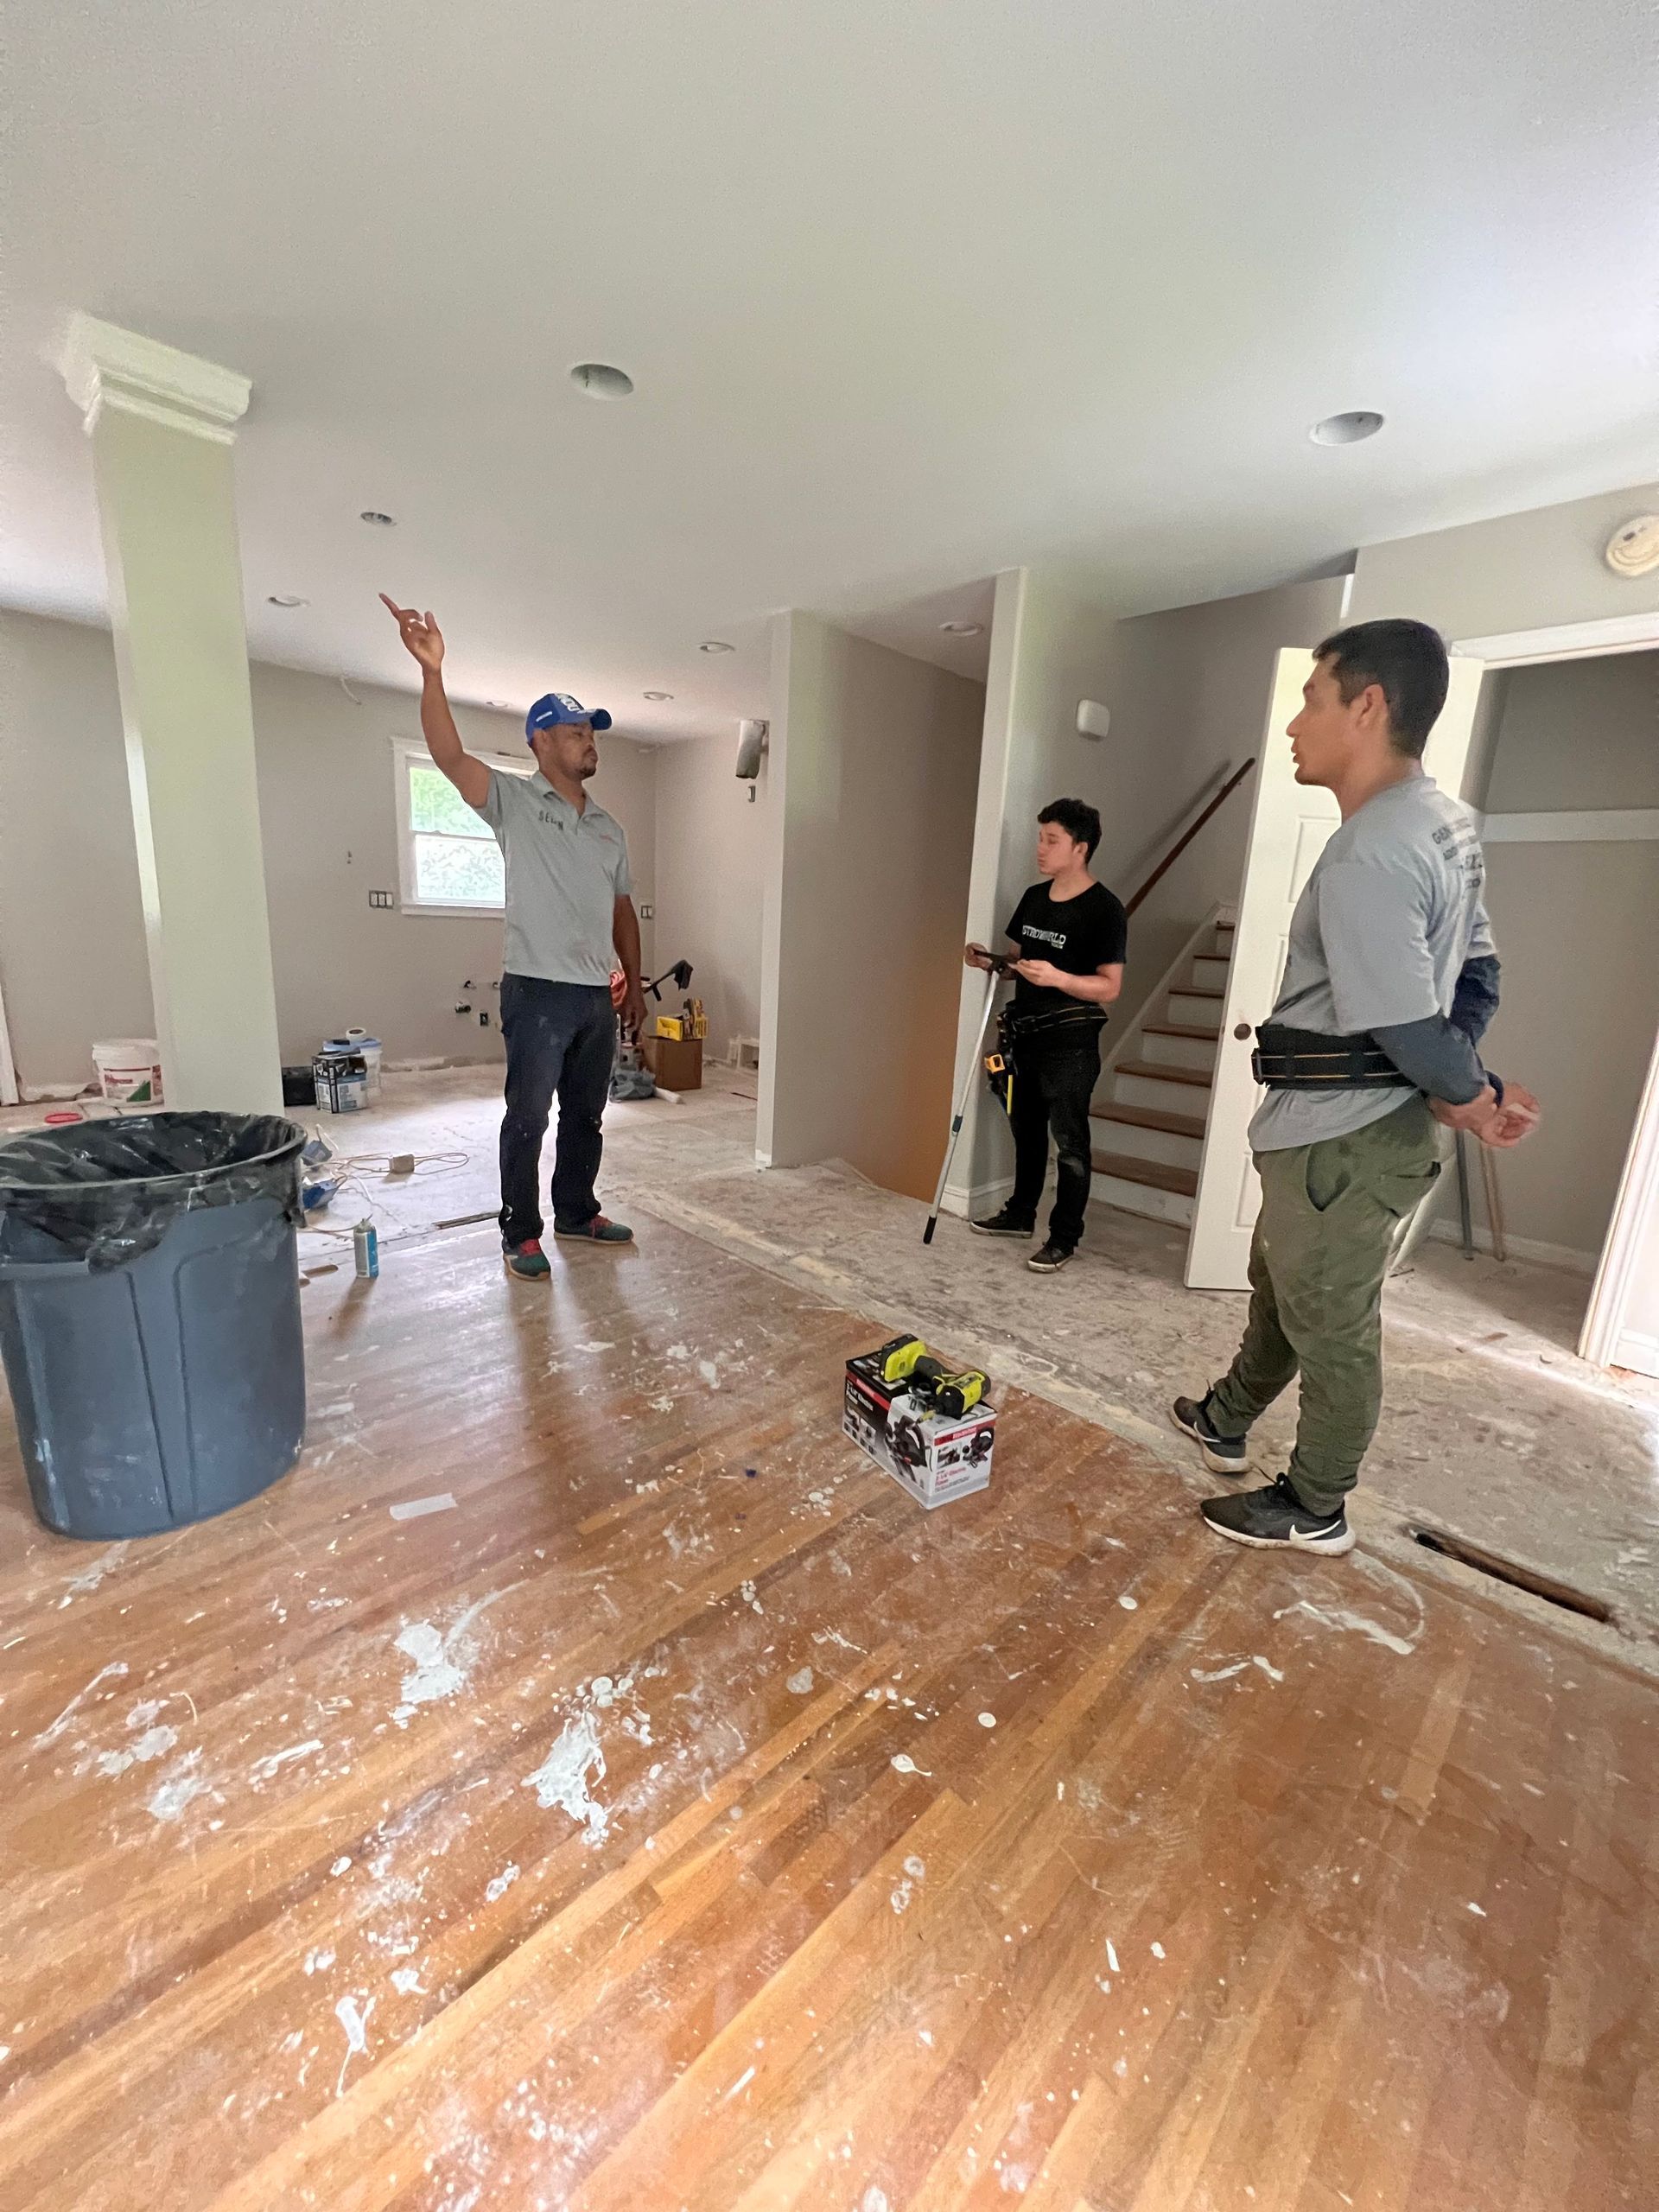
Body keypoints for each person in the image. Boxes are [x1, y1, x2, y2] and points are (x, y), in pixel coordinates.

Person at [1171, 620, 1540, 1554]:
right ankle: (1224, 1416)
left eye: (1312, 698)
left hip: (1348, 1133)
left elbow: (1410, 1020)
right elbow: (1478, 974)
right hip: (1335, 1131)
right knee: (1282, 1286)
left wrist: (1465, 1092)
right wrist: (1468, 1079)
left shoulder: (1373, 849)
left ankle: (1315, 1503)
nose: (1294, 724)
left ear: (1367, 706)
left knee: (1331, 1320)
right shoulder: (1445, 823)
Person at [382, 596, 647, 1280]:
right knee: (527, 1119)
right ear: (541, 741)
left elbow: (623, 909)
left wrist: (634, 983)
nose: (590, 741)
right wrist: (433, 673)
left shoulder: (610, 829)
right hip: (536, 991)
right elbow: (446, 754)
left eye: (593, 732)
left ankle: (577, 1212)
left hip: (594, 995)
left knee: (587, 1116)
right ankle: (519, 1232)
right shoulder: (515, 803)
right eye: (576, 731)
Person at [964, 798, 1127, 1273]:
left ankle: (1063, 1237)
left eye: (1051, 840)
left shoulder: (1104, 909)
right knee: (1026, 1131)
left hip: (1070, 1043)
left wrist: (1058, 978)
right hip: (1025, 1036)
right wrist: (991, 961)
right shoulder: (1034, 899)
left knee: (1071, 1144)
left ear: (1080, 847)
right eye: (1040, 838)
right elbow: (1019, 965)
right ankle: (1019, 1215)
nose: (1040, 848)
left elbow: (1111, 987)